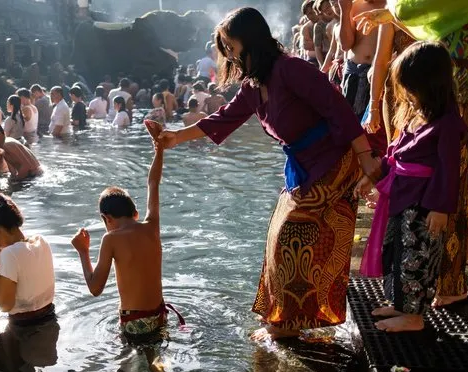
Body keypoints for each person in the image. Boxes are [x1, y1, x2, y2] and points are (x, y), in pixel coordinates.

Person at [157, 7, 381, 339]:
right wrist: (175, 137)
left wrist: (365, 160)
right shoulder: (252, 86)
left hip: (335, 161)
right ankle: (282, 318)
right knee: (277, 238)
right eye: (226, 50)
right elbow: (223, 119)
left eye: (232, 47)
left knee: (291, 235)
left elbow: (338, 110)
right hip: (303, 168)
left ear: (251, 41)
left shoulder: (291, 70)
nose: (230, 56)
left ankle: (287, 324)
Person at [353, 1, 468, 307]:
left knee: (451, 199)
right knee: (412, 239)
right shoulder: (422, 102)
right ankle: (432, 292)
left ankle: (448, 289)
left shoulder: (447, 119)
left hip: (461, 94)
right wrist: (377, 178)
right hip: (446, 93)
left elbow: (411, 13)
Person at [71, 135, 169, 343]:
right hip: (160, 314)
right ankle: (157, 368)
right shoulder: (152, 225)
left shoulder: (111, 239)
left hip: (134, 322)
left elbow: (95, 288)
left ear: (105, 218)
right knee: (154, 354)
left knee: (127, 370)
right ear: (135, 213)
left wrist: (82, 251)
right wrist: (159, 150)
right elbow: (153, 182)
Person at [0, 193, 56, 324]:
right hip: (50, 318)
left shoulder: (9, 254)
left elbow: (4, 306)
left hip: (23, 329)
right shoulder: (41, 242)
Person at [338, 0, 386, 117]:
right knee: (352, 122)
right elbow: (345, 45)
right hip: (356, 72)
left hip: (384, 73)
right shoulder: (354, 6)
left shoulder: (393, 5)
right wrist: (344, 11)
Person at [313, 0, 335, 67]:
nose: (327, 11)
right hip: (329, 57)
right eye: (320, 13)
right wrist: (321, 64)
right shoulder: (319, 25)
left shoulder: (338, 19)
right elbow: (317, 47)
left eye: (328, 7)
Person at [301, 0, 320, 66]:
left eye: (314, 11)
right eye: (310, 13)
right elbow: (308, 47)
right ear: (306, 16)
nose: (314, 15)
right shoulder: (306, 28)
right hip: (313, 58)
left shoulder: (326, 22)